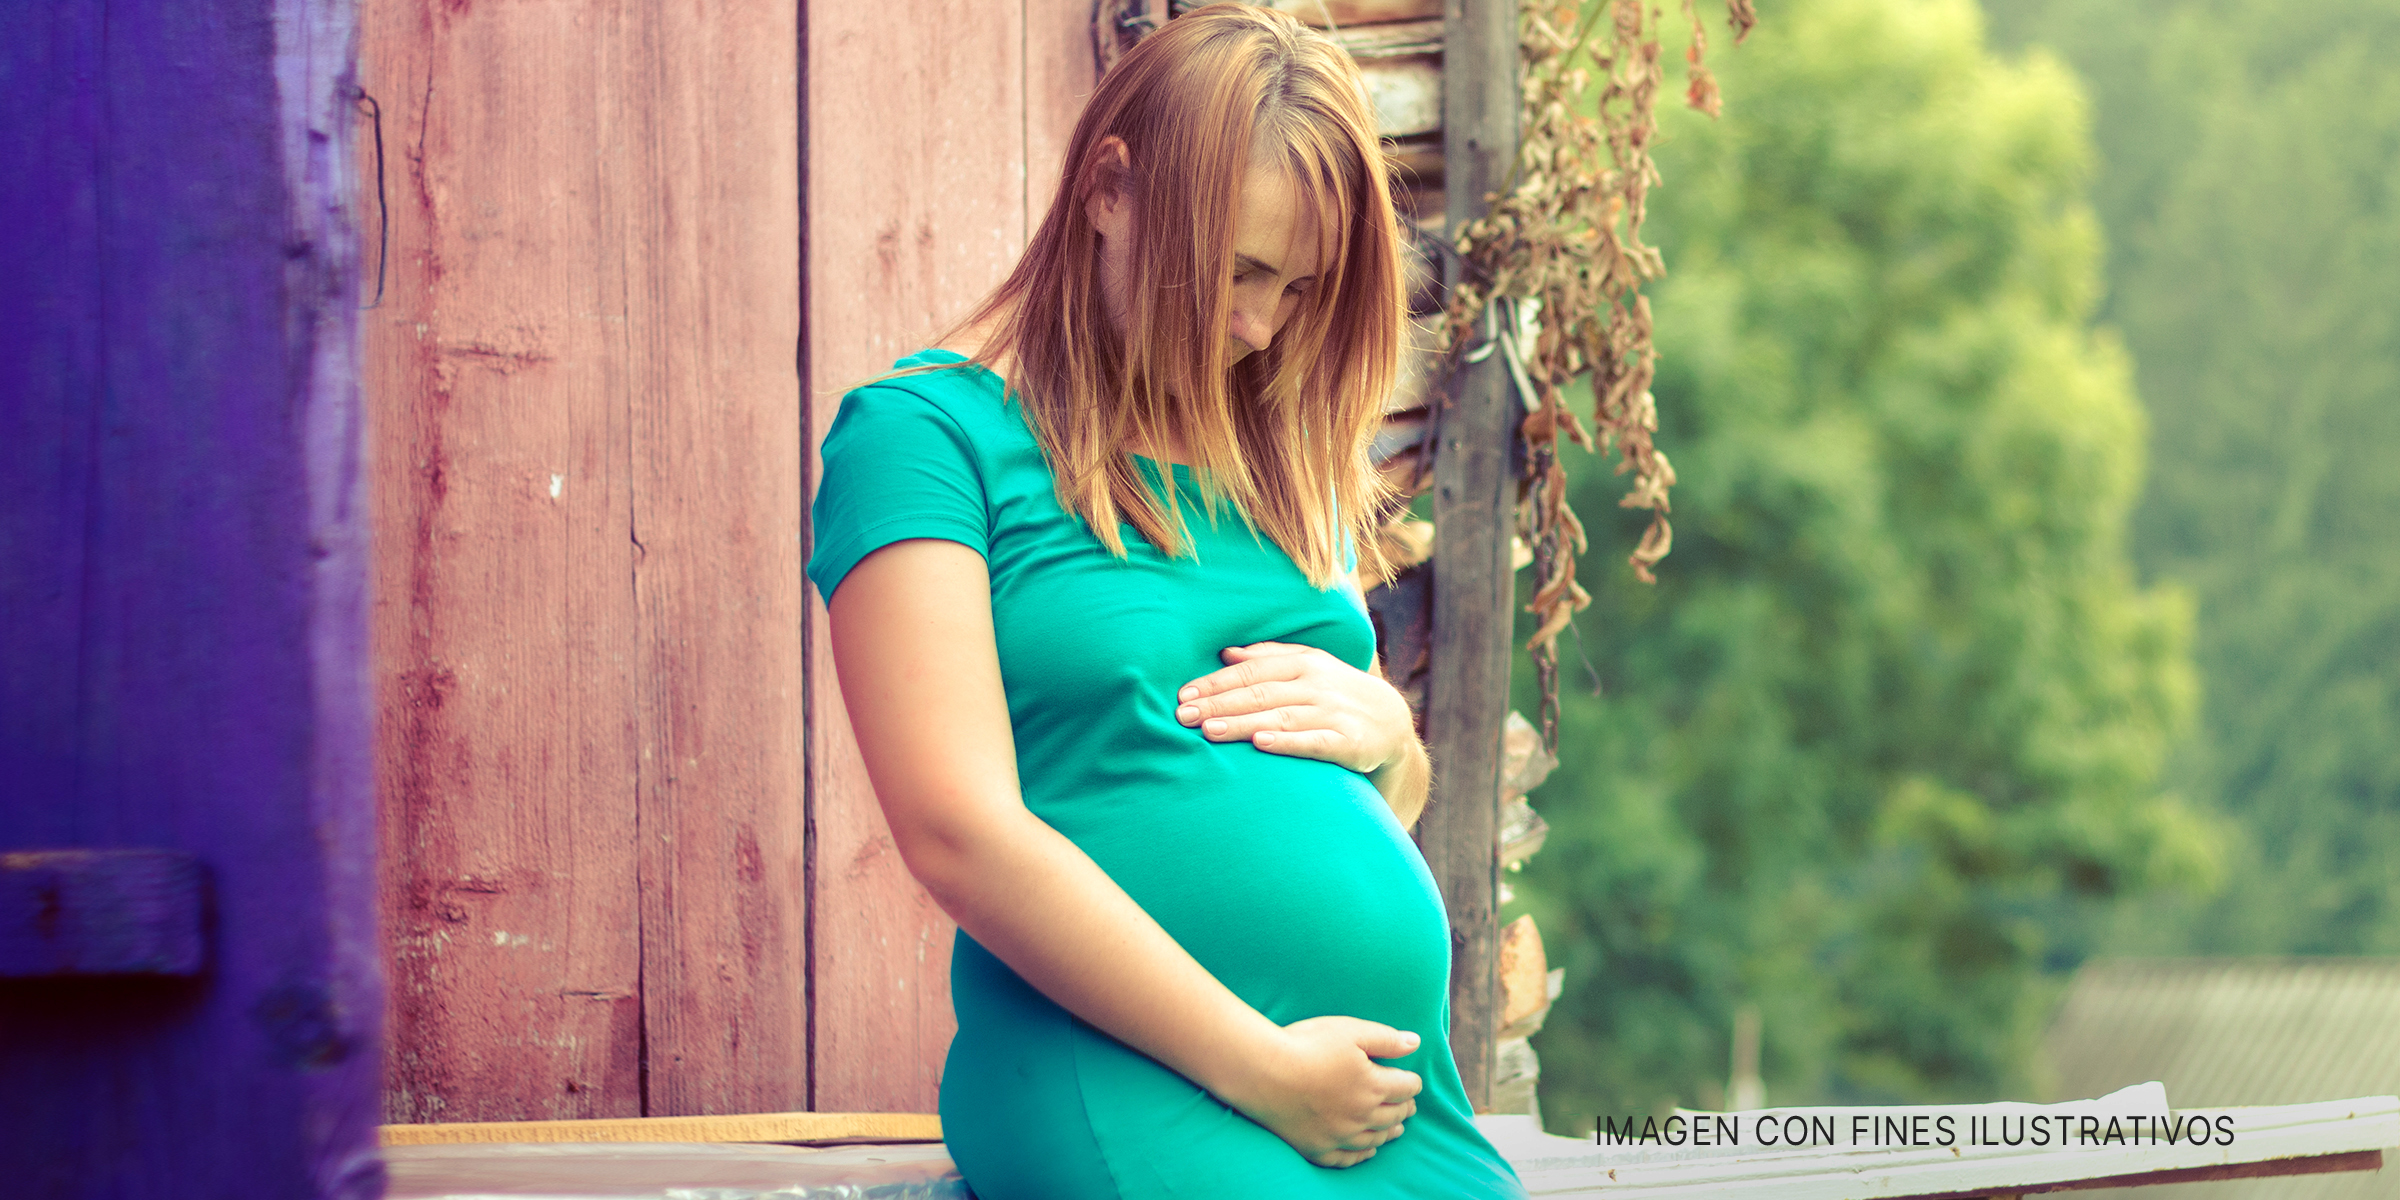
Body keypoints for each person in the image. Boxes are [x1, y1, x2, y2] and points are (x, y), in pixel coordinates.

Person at [805, 6, 1526, 1197]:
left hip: (1382, 1101)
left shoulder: (1279, 456)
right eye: (1239, 268)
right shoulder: (927, 441)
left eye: (1296, 288)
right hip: (1138, 1078)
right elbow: (957, 833)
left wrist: (1397, 748)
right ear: (1107, 190)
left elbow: (1357, 790)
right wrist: (1261, 1067)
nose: (1258, 325)